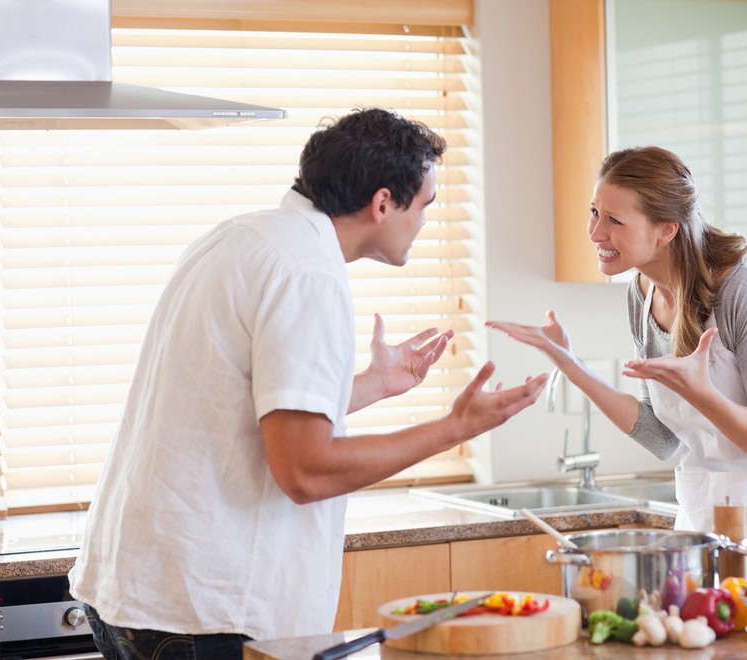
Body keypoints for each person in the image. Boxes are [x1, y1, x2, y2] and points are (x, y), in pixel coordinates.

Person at [69, 107, 548, 657]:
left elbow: (239, 405)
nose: (424, 223)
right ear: (384, 202)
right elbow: (305, 470)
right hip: (206, 611)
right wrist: (455, 427)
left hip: (137, 595)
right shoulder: (309, 273)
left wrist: (373, 384)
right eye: (424, 206)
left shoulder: (241, 238)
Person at [487, 145, 747, 538]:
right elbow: (662, 438)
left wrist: (705, 396)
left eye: (614, 220)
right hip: (703, 519)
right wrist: (570, 365)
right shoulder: (642, 292)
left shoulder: (743, 289)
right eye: (595, 212)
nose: (596, 232)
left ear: (666, 230)